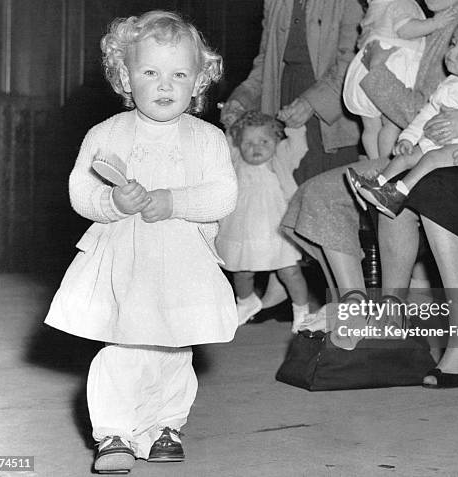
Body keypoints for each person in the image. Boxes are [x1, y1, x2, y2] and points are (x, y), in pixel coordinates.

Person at [282, 0, 458, 381]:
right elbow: (419, 111)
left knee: (415, 188)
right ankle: (357, 307)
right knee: (320, 192)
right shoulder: (420, 19)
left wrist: (377, 72)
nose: (454, 52)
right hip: (421, 144)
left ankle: (393, 312)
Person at [44, 11, 237, 474]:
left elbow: (223, 194)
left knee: (176, 345)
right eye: (149, 72)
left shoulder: (208, 137)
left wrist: (173, 201)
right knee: (123, 345)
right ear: (125, 78)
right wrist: (113, 199)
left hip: (184, 258)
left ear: (199, 82)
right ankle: (114, 432)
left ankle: (166, 425)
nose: (165, 84)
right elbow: (80, 192)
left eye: (179, 74)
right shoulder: (106, 133)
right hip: (125, 259)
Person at [220, 0, 363, 315]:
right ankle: (284, 287)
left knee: (324, 212)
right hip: (283, 105)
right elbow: (264, 63)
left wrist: (312, 103)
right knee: (281, 207)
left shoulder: (347, 4)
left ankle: (345, 303)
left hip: (328, 113)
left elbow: (353, 62)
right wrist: (240, 99)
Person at [348, 12, 458, 219]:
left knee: (430, 158)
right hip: (445, 143)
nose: (451, 52)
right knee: (406, 156)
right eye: (453, 44)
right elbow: (426, 113)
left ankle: (396, 194)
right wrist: (409, 137)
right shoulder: (450, 83)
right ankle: (378, 185)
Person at [216, 111, 310, 332]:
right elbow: (223, 148)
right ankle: (246, 301)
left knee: (290, 272)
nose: (256, 147)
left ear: (276, 141)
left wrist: (292, 125)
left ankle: (302, 311)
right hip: (243, 232)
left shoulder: (281, 158)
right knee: (241, 273)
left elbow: (299, 145)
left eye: (264, 141)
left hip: (277, 231)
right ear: (239, 144)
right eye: (248, 142)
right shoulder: (236, 158)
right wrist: (229, 129)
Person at [343, 0, 458, 162]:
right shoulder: (401, 3)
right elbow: (406, 30)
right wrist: (434, 23)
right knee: (391, 124)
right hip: (391, 64)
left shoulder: (375, 6)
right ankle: (385, 164)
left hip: (364, 68)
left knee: (370, 128)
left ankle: (373, 161)